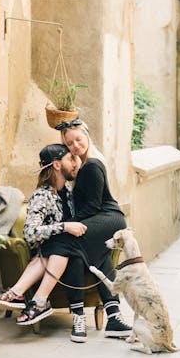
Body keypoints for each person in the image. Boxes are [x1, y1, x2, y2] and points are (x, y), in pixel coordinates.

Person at [0, 144, 88, 329]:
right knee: (56, 248)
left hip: (72, 255)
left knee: (59, 247)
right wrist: (64, 226)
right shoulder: (42, 196)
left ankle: (18, 293)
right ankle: (36, 301)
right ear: (57, 165)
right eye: (69, 159)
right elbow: (30, 233)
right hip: (51, 257)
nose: (74, 164)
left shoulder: (69, 193)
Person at [57, 118, 132, 341]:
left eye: (78, 139)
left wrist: (68, 226)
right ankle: (114, 316)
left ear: (87, 136)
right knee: (89, 255)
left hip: (109, 218)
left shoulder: (92, 165)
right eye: (70, 144)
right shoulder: (83, 167)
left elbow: (93, 206)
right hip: (100, 220)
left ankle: (78, 317)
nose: (76, 146)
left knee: (68, 244)